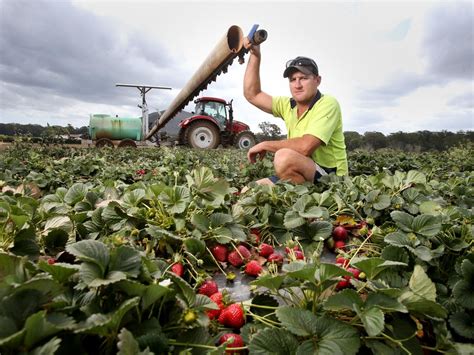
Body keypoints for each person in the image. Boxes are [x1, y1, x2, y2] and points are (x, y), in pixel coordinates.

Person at [242, 39, 348, 187]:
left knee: (283, 157)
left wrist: (265, 144)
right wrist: (255, 55)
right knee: (249, 190)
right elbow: (252, 94)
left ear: (317, 80)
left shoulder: (327, 103)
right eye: (293, 80)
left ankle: (305, 199)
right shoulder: (288, 105)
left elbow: (306, 146)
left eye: (304, 78)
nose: (297, 85)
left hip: (332, 178)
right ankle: (298, 195)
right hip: (304, 171)